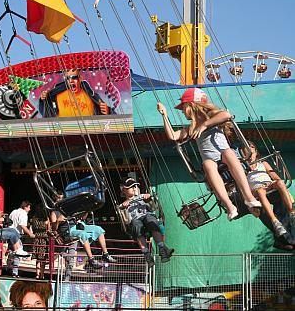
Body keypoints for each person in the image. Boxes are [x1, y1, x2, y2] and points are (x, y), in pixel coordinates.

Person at [157, 88, 262, 221]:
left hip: (223, 153)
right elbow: (173, 136)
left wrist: (204, 125)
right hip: (210, 160)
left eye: (183, 107)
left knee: (229, 153)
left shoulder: (211, 116)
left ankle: (248, 197)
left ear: (191, 105)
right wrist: (164, 115)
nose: (182, 111)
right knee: (207, 164)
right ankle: (230, 206)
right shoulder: (191, 127)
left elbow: (225, 115)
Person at [118, 178, 174, 268]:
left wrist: (149, 200)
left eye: (135, 186)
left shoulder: (142, 197)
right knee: (137, 225)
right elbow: (126, 221)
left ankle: (162, 248)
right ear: (124, 190)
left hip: (146, 218)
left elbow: (153, 208)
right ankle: (147, 254)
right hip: (136, 221)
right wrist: (124, 208)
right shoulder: (123, 205)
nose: (134, 188)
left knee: (151, 219)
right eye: (131, 187)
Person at [244, 141, 295, 237]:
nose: (250, 156)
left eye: (252, 152)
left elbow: (276, 178)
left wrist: (271, 183)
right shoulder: (242, 169)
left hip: (269, 185)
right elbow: (244, 186)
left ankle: (291, 212)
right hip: (257, 190)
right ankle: (275, 221)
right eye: (247, 153)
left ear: (255, 152)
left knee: (280, 183)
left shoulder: (263, 163)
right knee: (260, 191)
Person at [39, 68, 113, 118]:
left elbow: (106, 115)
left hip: (89, 133)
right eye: (68, 78)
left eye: (74, 77)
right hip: (64, 135)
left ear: (80, 78)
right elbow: (46, 112)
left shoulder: (92, 95)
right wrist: (43, 99)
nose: (71, 81)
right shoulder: (56, 95)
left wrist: (107, 111)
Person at [8, 201, 35, 278]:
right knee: (18, 252)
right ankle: (15, 272)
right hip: (16, 234)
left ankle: (8, 268)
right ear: (25, 207)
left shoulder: (14, 211)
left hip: (9, 233)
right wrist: (30, 233)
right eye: (29, 207)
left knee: (11, 252)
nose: (29, 209)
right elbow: (22, 225)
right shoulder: (23, 214)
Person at [31, 205, 50, 280]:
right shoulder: (46, 220)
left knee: (38, 258)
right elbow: (48, 229)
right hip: (44, 239)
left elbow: (33, 228)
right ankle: (42, 274)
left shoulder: (34, 219)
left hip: (36, 238)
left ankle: (37, 274)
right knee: (43, 258)